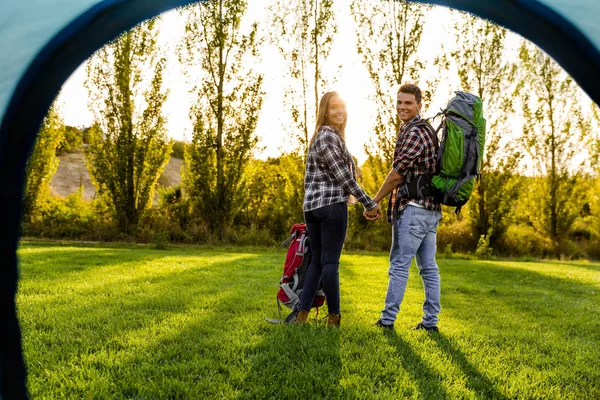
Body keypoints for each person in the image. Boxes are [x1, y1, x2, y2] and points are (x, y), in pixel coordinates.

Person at [295, 91, 380, 328]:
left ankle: (302, 316)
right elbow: (344, 178)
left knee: (317, 262)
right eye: (333, 108)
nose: (339, 111)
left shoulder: (320, 137)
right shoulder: (328, 137)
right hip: (331, 207)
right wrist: (369, 202)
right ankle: (334, 318)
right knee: (330, 263)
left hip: (312, 208)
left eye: (342, 106)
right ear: (325, 111)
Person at [368, 84, 442, 332]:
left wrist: (375, 199)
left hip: (414, 210)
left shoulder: (414, 132)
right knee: (428, 268)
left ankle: (387, 321)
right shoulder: (424, 130)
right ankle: (430, 323)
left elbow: (397, 174)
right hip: (430, 210)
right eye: (399, 102)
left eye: (408, 103)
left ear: (420, 106)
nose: (402, 107)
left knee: (399, 265)